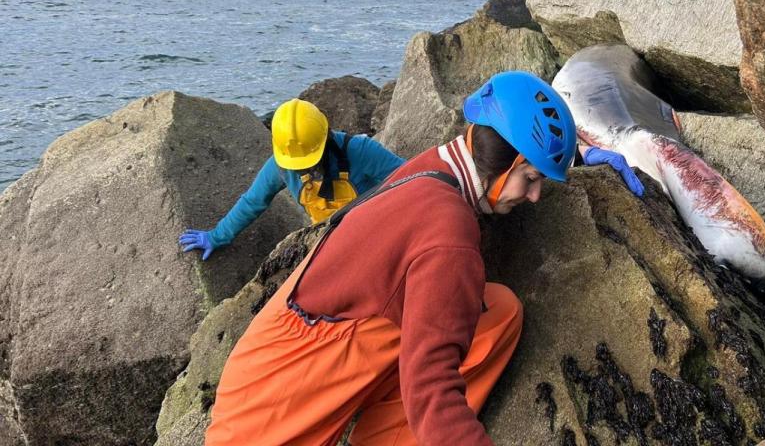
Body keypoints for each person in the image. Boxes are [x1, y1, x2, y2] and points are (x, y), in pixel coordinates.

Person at [203, 71, 643, 446]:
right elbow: (431, 390)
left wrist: (574, 157)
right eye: (530, 178)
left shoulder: (433, 167)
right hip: (271, 408)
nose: (533, 196)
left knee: (497, 312)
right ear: (504, 160)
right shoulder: (449, 233)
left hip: (269, 352)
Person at [179, 98, 404, 260]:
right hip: (328, 239)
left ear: (325, 139)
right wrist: (217, 236)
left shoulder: (361, 151)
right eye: (296, 164)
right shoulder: (281, 166)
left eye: (308, 161)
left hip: (377, 233)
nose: (301, 169)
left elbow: (412, 176)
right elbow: (252, 202)